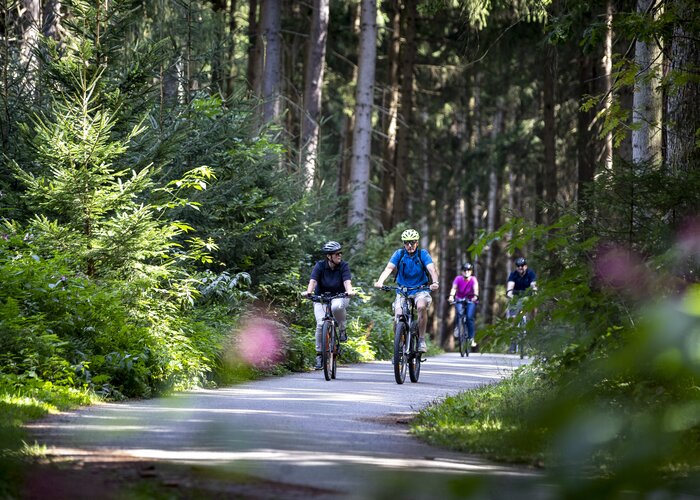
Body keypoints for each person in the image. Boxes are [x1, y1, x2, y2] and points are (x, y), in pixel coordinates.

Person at [373, 229, 439, 353]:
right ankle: (399, 345)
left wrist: (435, 282)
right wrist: (380, 281)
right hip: (402, 290)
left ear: (417, 243)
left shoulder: (422, 254)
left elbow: (432, 269)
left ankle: (421, 340)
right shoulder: (399, 254)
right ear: (403, 243)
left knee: (421, 307)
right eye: (407, 243)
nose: (410, 245)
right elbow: (389, 268)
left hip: (421, 289)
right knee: (398, 316)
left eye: (412, 242)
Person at [304, 241, 355, 370]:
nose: (339, 255)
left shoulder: (344, 266)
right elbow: (313, 280)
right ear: (329, 256)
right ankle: (319, 355)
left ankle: (342, 329)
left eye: (340, 253)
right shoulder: (320, 266)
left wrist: (349, 291)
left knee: (336, 307)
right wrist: (309, 292)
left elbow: (347, 281)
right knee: (321, 324)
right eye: (336, 254)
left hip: (339, 297)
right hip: (321, 298)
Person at [506, 257, 537, 353]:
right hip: (516, 298)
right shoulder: (513, 275)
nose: (520, 267)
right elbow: (510, 287)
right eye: (518, 266)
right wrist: (509, 294)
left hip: (527, 298)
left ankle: (532, 340)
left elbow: (533, 285)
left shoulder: (530, 274)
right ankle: (513, 344)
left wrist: (535, 293)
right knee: (513, 319)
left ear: (526, 266)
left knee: (533, 312)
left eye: (522, 266)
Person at [448, 262, 479, 347]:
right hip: (460, 299)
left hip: (471, 300)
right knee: (459, 313)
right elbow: (454, 288)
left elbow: (476, 289)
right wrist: (451, 296)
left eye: (468, 270)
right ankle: (458, 327)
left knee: (469, 317)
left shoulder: (473, 279)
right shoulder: (458, 278)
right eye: (464, 270)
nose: (466, 271)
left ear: (471, 271)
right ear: (462, 271)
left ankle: (471, 338)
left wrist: (475, 296)